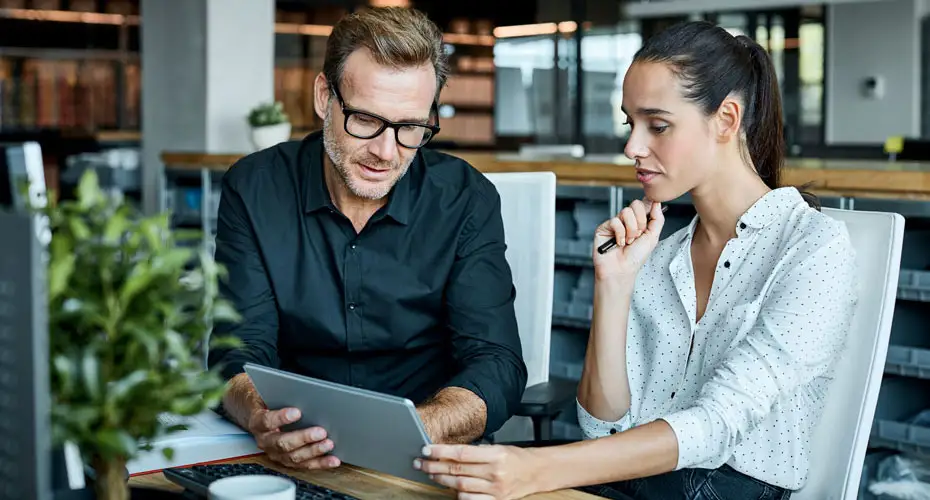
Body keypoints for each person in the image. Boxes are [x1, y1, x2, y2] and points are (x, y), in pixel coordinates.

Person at [414, 20, 858, 500]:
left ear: (727, 120)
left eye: (658, 125)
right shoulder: (658, 253)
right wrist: (614, 284)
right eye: (631, 123)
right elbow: (601, 425)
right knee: (438, 484)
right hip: (635, 482)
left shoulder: (814, 248)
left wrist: (539, 468)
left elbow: (715, 425)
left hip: (727, 488)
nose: (632, 147)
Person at [207, 6, 527, 472]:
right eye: (364, 119)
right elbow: (237, 351)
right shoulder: (255, 188)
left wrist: (415, 430)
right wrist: (262, 417)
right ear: (324, 97)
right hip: (293, 451)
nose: (385, 151)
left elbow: (495, 363)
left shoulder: (466, 200)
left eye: (410, 128)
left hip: (426, 455)